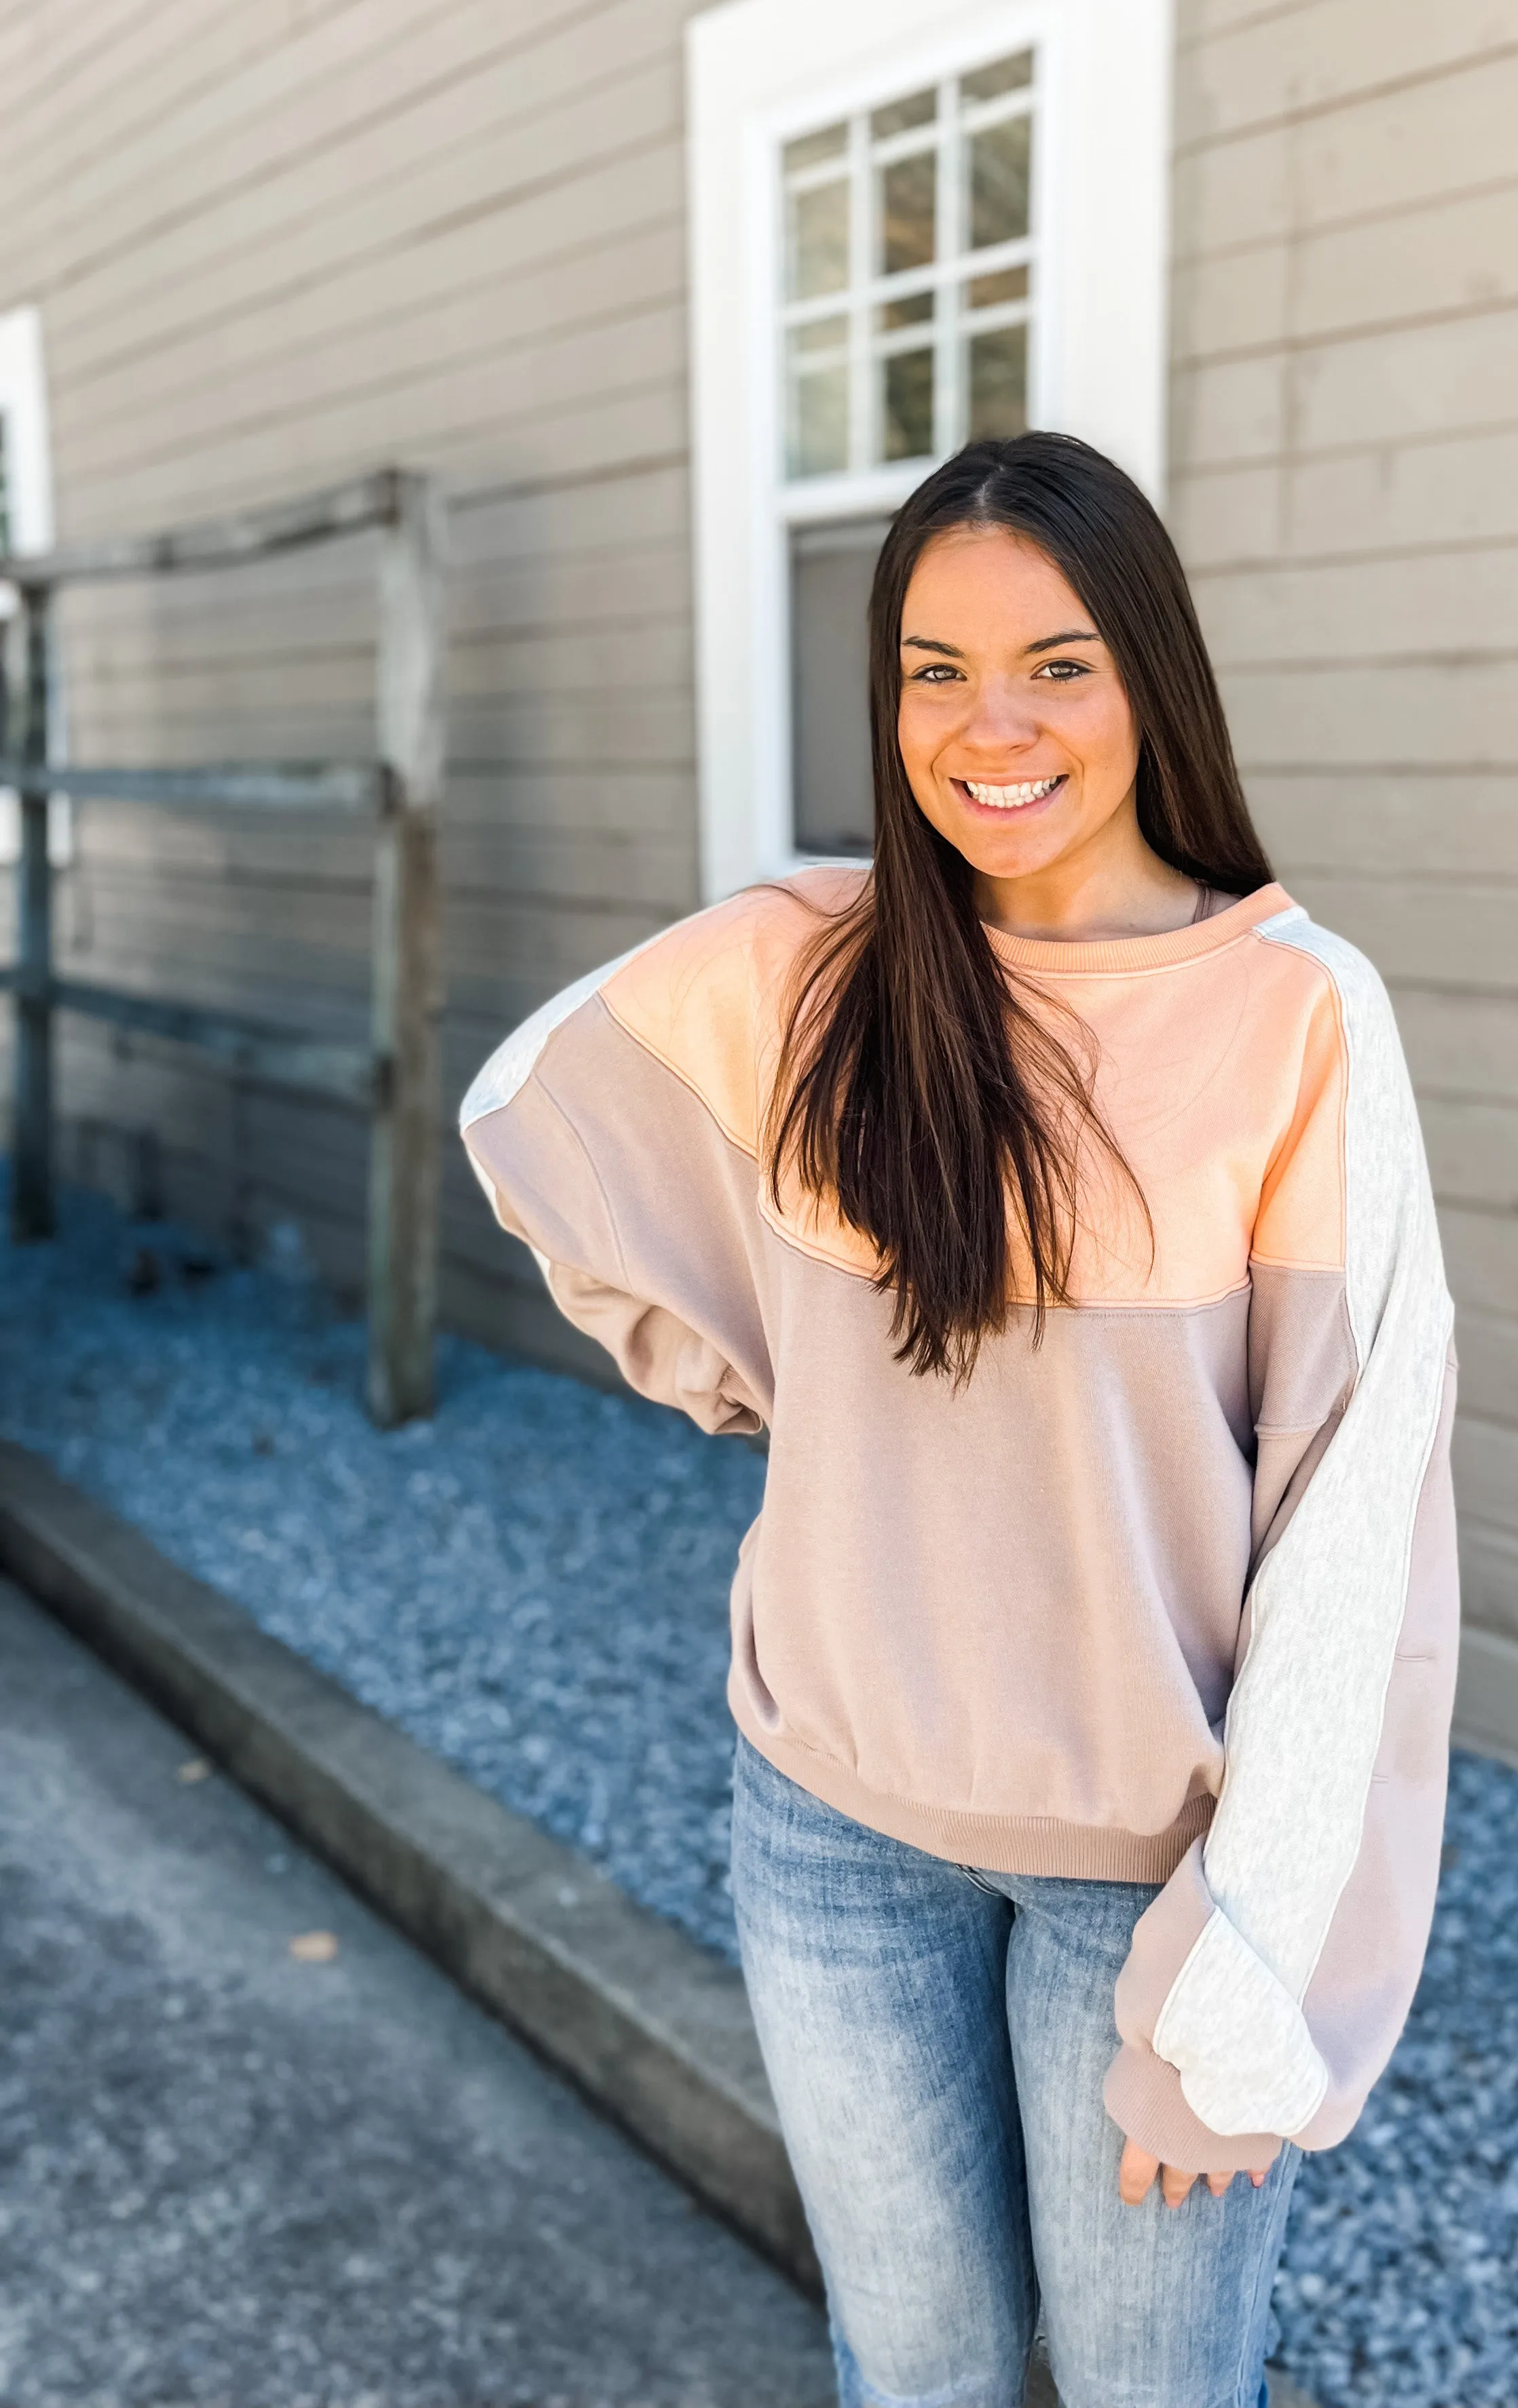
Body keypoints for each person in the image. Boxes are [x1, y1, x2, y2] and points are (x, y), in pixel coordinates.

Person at [460, 431, 1460, 2408]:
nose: (989, 723)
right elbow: (525, 1111)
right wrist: (752, 1370)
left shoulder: (1298, 1018)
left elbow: (1359, 1538)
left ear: (1149, 679)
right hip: (828, 1817)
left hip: (1142, 1865)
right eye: (934, 669)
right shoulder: (805, 967)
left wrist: (1248, 1985)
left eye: (1056, 661)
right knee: (907, 2369)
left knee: (1150, 2390)